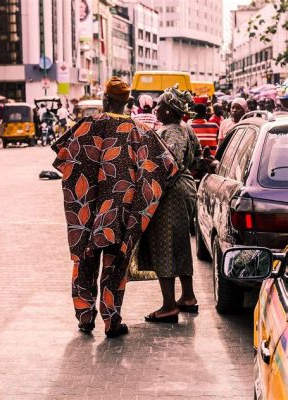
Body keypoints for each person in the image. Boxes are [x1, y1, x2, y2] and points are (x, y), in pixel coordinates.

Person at [51, 76, 179, 338]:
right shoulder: (141, 131)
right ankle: (111, 321)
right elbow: (167, 166)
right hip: (122, 209)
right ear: (127, 102)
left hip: (87, 208)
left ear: (105, 99)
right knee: (115, 263)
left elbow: (64, 156)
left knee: (85, 259)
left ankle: (85, 316)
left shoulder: (87, 125)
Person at [140, 85, 198, 323]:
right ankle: (188, 297)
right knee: (181, 243)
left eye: (161, 105)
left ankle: (168, 306)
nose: (157, 108)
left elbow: (168, 165)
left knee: (165, 245)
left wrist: (150, 189)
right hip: (183, 189)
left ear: (170, 110)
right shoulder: (184, 128)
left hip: (170, 193)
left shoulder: (172, 130)